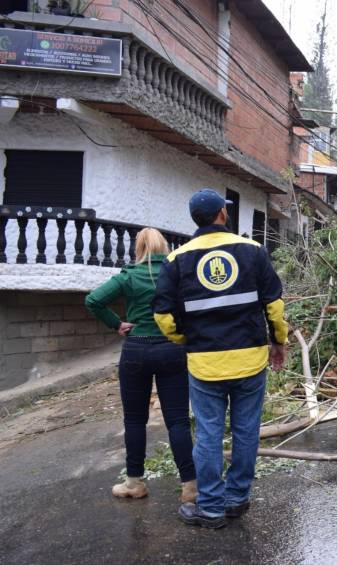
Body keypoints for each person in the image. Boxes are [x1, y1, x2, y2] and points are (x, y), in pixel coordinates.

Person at [153, 188, 288, 529]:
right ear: (222, 215)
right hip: (250, 361)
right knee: (246, 431)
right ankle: (237, 498)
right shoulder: (253, 251)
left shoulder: (176, 260)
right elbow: (274, 306)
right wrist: (279, 342)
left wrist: (186, 339)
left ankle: (210, 506)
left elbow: (163, 316)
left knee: (209, 434)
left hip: (205, 363)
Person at [85, 228, 196, 503]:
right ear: (164, 246)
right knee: (178, 421)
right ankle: (191, 486)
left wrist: (117, 324)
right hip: (172, 349)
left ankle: (134, 483)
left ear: (139, 248)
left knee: (135, 420)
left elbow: (93, 300)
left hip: (136, 350)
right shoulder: (178, 274)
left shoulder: (130, 275)